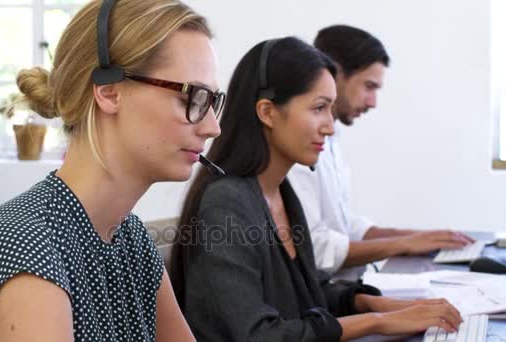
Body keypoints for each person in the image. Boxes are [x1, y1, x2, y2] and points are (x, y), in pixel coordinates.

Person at [0, 0, 223, 340]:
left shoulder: (129, 240)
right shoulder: (25, 244)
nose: (212, 127)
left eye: (212, 101)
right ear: (109, 91)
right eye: (192, 97)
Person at [171, 37, 462, 341]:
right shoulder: (227, 203)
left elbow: (305, 293)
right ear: (267, 112)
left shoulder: (280, 192)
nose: (330, 126)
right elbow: (258, 335)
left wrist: (371, 302)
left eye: (330, 109)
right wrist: (377, 321)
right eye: (319, 108)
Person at [287, 25, 474, 274]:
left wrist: (416, 237)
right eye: (369, 86)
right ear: (336, 74)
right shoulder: (298, 144)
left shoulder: (331, 137)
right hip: (329, 296)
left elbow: (342, 226)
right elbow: (316, 248)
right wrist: (399, 244)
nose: (373, 102)